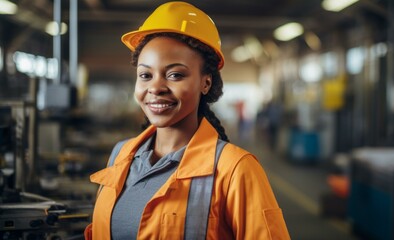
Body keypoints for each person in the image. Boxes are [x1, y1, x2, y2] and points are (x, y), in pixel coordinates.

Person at [84, 2, 290, 239]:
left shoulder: (235, 169)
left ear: (206, 82)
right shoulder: (121, 154)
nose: (156, 87)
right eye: (145, 75)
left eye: (175, 75)